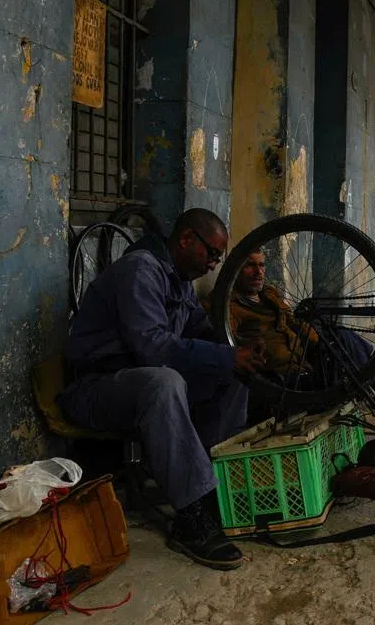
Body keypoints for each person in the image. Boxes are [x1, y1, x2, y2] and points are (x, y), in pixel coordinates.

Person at [60, 208, 264, 570]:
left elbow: (201, 332)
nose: (215, 265)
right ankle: (190, 517)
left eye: (219, 258)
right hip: (94, 389)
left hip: (133, 383)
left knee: (233, 373)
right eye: (212, 254)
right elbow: (152, 347)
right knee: (164, 381)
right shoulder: (141, 271)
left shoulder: (180, 281)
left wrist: (241, 346)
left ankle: (211, 488)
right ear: (186, 239)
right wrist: (222, 355)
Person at [221, 251, 375, 419]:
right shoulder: (228, 307)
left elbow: (294, 322)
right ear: (235, 270)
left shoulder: (269, 295)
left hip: (304, 358)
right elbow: (228, 344)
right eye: (250, 265)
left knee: (341, 338)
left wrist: (322, 340)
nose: (258, 272)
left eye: (261, 265)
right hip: (282, 377)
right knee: (339, 351)